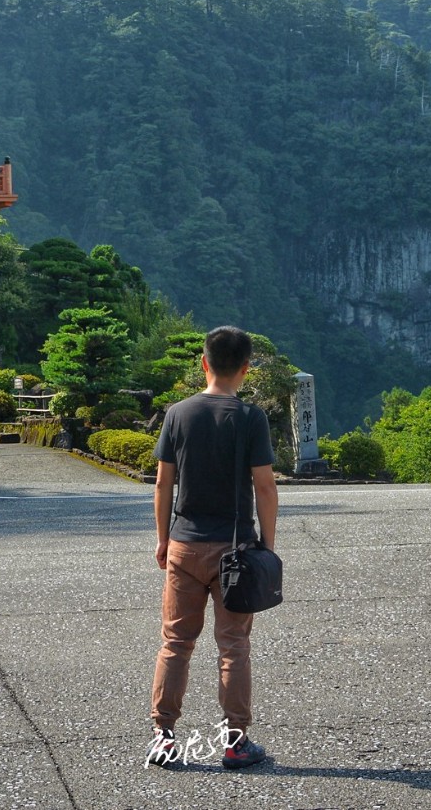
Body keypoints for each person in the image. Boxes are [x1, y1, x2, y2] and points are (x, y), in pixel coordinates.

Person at [146, 325, 278, 770]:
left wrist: (164, 539)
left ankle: (164, 738)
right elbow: (264, 486)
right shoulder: (250, 417)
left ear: (203, 363)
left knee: (175, 643)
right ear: (246, 369)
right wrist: (267, 546)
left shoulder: (177, 414)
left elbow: (164, 482)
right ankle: (236, 743)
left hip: (185, 544)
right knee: (233, 646)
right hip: (236, 552)